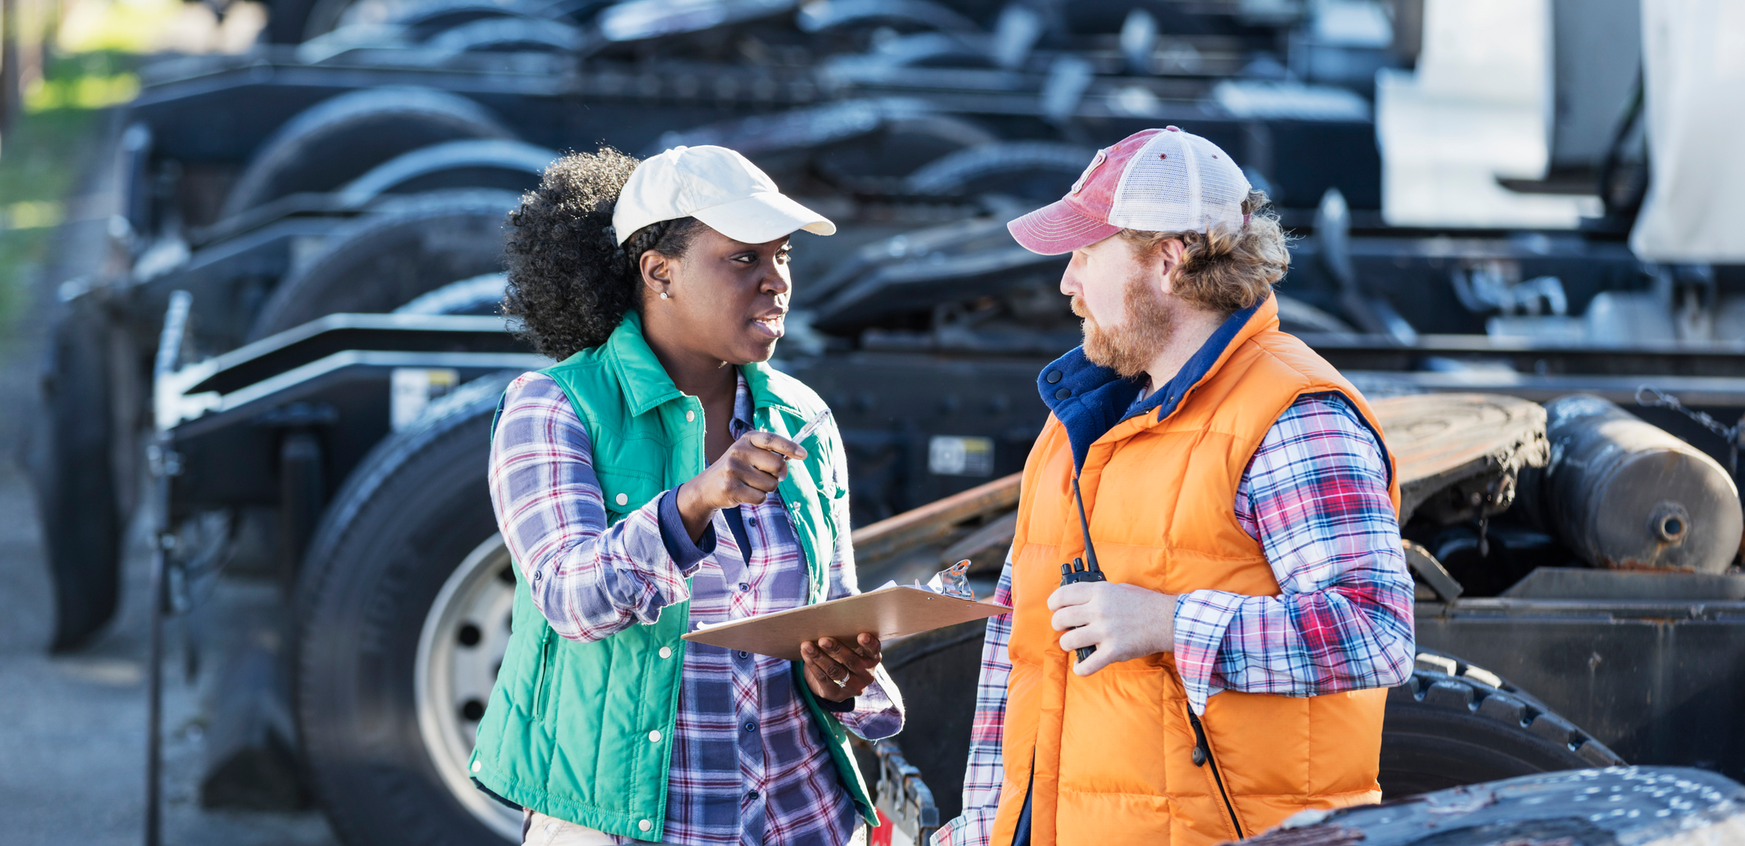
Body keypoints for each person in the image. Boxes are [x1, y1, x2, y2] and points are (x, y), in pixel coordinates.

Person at [932, 127, 1416, 846]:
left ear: (1167, 260)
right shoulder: (1079, 424)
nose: (1067, 282)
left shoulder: (1295, 418)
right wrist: (983, 831)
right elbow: (1021, 657)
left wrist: (1167, 624)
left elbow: (1376, 634)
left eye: (1087, 253)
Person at [468, 145, 902, 846]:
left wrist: (838, 680)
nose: (776, 282)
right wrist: (692, 504)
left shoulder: (801, 417)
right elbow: (570, 599)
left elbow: (832, 611)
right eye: (743, 259)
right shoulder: (552, 408)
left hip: (801, 821)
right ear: (658, 272)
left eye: (782, 256)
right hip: (628, 826)